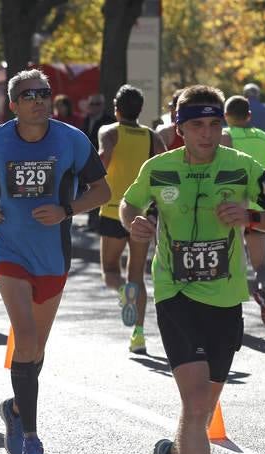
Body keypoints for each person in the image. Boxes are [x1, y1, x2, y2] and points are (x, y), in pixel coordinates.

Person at [120, 85, 265, 454]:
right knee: (195, 402)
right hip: (175, 294)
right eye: (197, 125)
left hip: (224, 300)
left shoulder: (242, 168)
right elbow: (128, 204)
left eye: (214, 124)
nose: (207, 133)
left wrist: (252, 218)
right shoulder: (159, 170)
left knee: (199, 410)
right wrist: (133, 223)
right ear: (180, 129)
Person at [0, 69, 110, 454]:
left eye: (43, 93)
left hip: (53, 255)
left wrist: (67, 209)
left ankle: (15, 407)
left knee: (34, 348)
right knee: (24, 336)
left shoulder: (72, 140)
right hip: (9, 249)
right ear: (13, 104)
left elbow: (103, 191)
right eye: (29, 95)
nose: (38, 100)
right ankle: (31, 439)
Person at [97, 84, 166, 353]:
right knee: (137, 274)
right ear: (140, 110)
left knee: (110, 271)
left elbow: (104, 158)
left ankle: (122, 291)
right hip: (143, 213)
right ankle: (138, 335)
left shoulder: (109, 131)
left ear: (116, 110)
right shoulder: (152, 136)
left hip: (114, 210)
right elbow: (162, 167)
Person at [223, 95, 265, 328]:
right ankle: (262, 292)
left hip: (231, 209)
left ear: (226, 116)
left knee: (229, 265)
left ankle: (231, 315)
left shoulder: (226, 137)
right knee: (261, 265)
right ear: (249, 115)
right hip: (258, 212)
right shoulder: (264, 137)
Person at [82, 94, 115, 231]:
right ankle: (91, 223)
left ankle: (98, 224)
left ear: (102, 105)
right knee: (89, 191)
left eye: (97, 104)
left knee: (99, 190)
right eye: (92, 104)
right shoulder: (86, 119)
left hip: (102, 161)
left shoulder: (109, 121)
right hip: (87, 159)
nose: (94, 107)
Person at [242, 83, 265, 150]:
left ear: (244, 94)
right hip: (263, 147)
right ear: (258, 94)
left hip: (245, 147)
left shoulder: (241, 109)